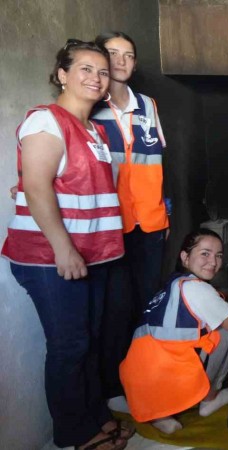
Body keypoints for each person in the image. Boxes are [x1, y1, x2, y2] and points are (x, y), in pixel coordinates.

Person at [1, 39, 131, 450]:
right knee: (70, 346)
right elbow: (38, 187)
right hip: (51, 258)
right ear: (62, 74)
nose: (96, 78)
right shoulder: (46, 120)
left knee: (87, 342)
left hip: (93, 254)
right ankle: (77, 435)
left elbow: (68, 184)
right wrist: (63, 248)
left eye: (103, 71)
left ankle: (96, 417)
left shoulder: (94, 129)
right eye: (85, 69)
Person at [90, 31, 171, 412]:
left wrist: (166, 211)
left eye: (128, 55)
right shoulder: (91, 104)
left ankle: (145, 381)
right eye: (112, 53)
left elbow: (158, 163)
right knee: (116, 309)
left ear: (135, 64)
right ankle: (114, 388)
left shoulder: (148, 105)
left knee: (147, 305)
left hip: (151, 225)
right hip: (112, 226)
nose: (120, 61)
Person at [119, 229, 228, 434]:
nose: (213, 262)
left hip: (139, 389)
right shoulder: (198, 288)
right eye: (205, 253)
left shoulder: (173, 285)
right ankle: (210, 398)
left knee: (212, 321)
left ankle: (160, 414)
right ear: (185, 257)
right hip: (168, 383)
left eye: (218, 255)